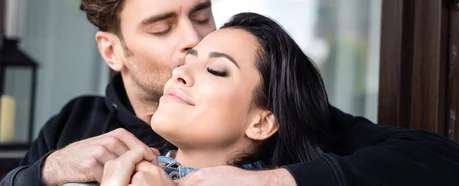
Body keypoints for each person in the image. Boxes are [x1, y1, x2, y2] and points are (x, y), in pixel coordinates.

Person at [0, 0, 459, 186]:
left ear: (262, 120)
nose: (190, 41)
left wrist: (271, 184)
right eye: (163, 27)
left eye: (201, 14)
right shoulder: (73, 126)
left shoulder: (288, 126)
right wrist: (44, 172)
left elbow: (446, 164)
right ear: (112, 50)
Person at [102, 12, 337, 185]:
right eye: (186, 62)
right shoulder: (113, 169)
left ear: (261, 123)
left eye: (215, 70)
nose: (178, 73)